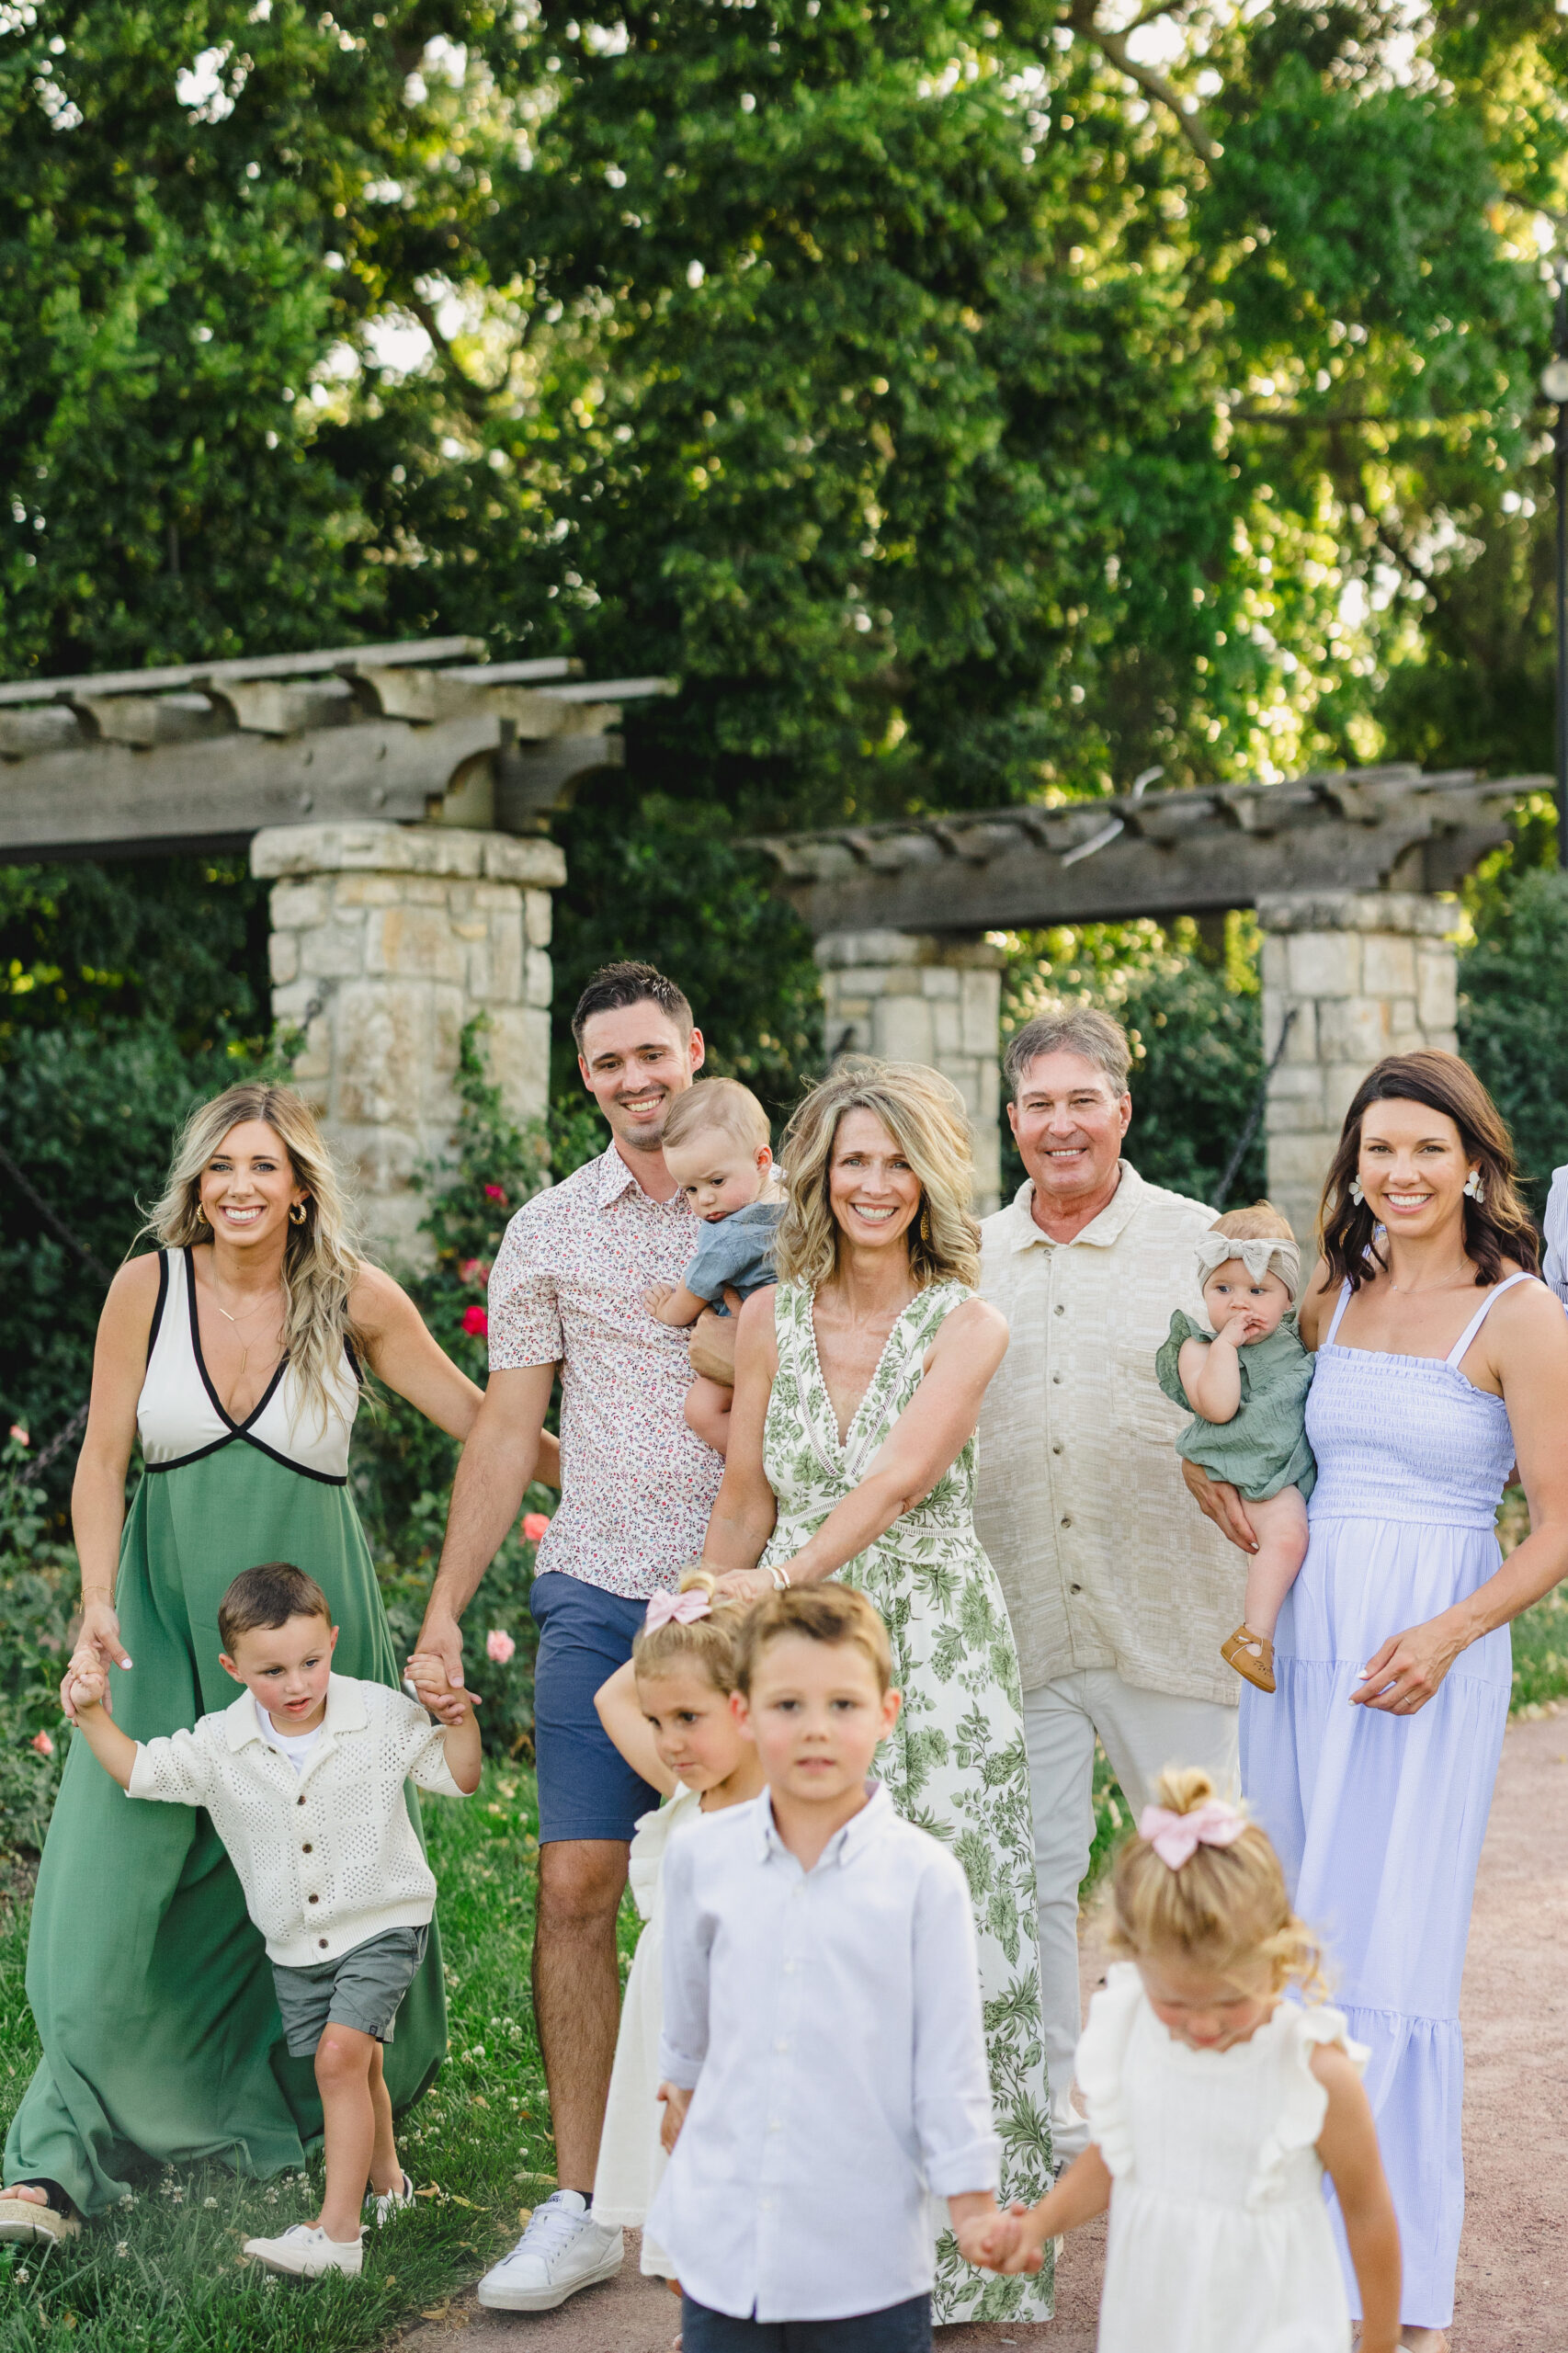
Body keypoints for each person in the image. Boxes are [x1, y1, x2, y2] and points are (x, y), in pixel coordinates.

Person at [0, 1081, 489, 2245]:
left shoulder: (355, 1299)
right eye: (219, 1166)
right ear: (195, 1182)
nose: (238, 1187)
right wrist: (96, 1608)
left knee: (317, 1873)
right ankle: (53, 2156)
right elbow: (101, 1456)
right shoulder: (146, 1288)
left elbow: (484, 1422)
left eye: (262, 1166)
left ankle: (334, 2109)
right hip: (164, 1624)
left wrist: (652, 1495)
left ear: (301, 1187)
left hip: (318, 1637)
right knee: (104, 1887)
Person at [1184, 1050, 1568, 2348]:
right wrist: (1220, 1485)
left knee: (1386, 1942)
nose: (1398, 1175)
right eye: (1377, 1151)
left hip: (1424, 1647)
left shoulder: (1516, 1313)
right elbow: (1273, 1445)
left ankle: (1381, 2279)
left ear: (1473, 1165)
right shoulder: (1327, 1297)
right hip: (1307, 1638)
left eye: (1426, 1151)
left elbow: (1556, 1525)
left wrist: (1452, 1633)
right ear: (1349, 1164)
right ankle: (1278, 2252)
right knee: (1287, 1925)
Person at [701, 1057, 1054, 2325]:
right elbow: (744, 1493)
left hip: (936, 1656)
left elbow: (900, 1478)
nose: (873, 1183)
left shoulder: (970, 1322)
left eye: (897, 1160)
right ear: (815, 1174)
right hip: (795, 1661)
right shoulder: (765, 1318)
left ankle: (968, 2262)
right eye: (852, 1160)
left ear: (931, 1177)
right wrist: (698, 1601)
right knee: (809, 1941)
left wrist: (779, 1576)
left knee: (952, 1941)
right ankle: (820, 2255)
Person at [408, 961, 726, 2315]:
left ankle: (755, 2174)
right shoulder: (546, 1229)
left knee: (766, 1884)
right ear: (583, 1077)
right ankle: (585, 2201)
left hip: (751, 1600)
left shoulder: (779, 1198)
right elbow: (500, 1426)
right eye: (608, 1065)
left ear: (692, 1049)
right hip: (597, 1592)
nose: (635, 1081)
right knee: (576, 1887)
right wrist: (441, 1606)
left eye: (652, 1055)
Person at [971, 1006, 1246, 2168]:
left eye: (1083, 1098)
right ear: (1012, 1118)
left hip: (1171, 1612)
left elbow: (1270, 1401)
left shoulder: (1198, 1245)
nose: (1061, 1123)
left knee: (1197, 1861)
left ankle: (1222, 2104)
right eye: (1038, 1102)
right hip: (1016, 1617)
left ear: (1123, 1109)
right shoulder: (965, 1254)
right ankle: (1045, 2117)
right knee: (1023, 1876)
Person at [59, 1562, 480, 2279]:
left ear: (333, 1642)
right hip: (295, 1945)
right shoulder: (222, 1743)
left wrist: (458, 1718)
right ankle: (389, 2188)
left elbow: (461, 1775)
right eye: (273, 1671)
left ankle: (336, 2236)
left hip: (384, 1919)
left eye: (312, 1662)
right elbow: (141, 1771)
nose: (297, 1685)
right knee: (362, 2062)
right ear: (233, 1667)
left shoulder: (376, 1714)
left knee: (338, 2059)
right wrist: (95, 1716)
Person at [650, 1584, 1007, 2353]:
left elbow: (949, 2064)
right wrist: (684, 2137)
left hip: (866, 2265)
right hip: (731, 2256)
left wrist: (974, 2205)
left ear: (888, 1711)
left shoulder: (925, 1879)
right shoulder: (701, 1861)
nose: (816, 1730)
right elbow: (687, 2035)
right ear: (744, 1714)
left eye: (843, 1705)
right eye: (788, 1707)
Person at [975, 1768, 1402, 2353]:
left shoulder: (1314, 2072)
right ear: (1134, 1961)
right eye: (1174, 2002)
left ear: (1278, 1960)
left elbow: (1369, 2212)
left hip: (1274, 2322)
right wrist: (1039, 2225)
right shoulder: (1135, 2034)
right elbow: (1116, 2157)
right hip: (1156, 2314)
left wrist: (1378, 2342)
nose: (1202, 2025)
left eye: (1231, 2002)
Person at [588, 1566, 765, 2284]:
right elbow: (611, 1693)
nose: (667, 1742)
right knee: (684, 2225)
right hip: (674, 2038)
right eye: (659, 1722)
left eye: (689, 1719)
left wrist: (738, 1631)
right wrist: (695, 1618)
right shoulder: (685, 1794)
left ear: (751, 1705)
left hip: (744, 2043)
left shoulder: (783, 1813)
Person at [1154, 1202, 1314, 1693]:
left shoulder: (1292, 1338)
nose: (1240, 1304)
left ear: (1287, 1299)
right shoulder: (1198, 1345)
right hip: (1251, 1469)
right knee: (1286, 1538)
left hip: (1289, 1462)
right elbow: (1219, 1407)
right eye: (1223, 1289)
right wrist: (1224, 1346)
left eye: (1258, 1291)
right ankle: (1254, 1639)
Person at [643, 1078, 785, 1456]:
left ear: (761, 1161)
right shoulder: (792, 1203)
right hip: (791, 1334)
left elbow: (692, 1295)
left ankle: (761, 1469)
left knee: (701, 1409)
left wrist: (666, 1309)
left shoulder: (729, 1236)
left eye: (716, 1181)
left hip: (750, 1340)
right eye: (689, 1189)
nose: (705, 1200)